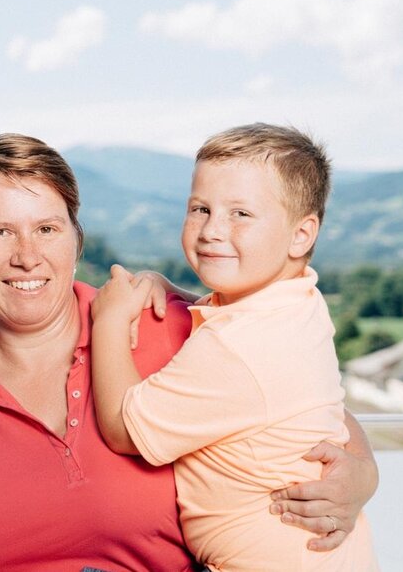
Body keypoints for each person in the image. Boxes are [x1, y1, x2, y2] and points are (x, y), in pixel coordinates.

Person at [0, 133, 378, 572]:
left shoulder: (164, 325)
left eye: (47, 229)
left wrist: (362, 472)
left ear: (76, 238)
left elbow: (299, 397)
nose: (26, 256)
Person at [90, 124, 378, 570]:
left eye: (241, 214)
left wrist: (108, 320)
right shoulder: (298, 301)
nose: (211, 230)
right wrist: (172, 291)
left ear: (301, 235)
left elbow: (123, 430)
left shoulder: (238, 349)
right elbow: (236, 322)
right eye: (200, 208)